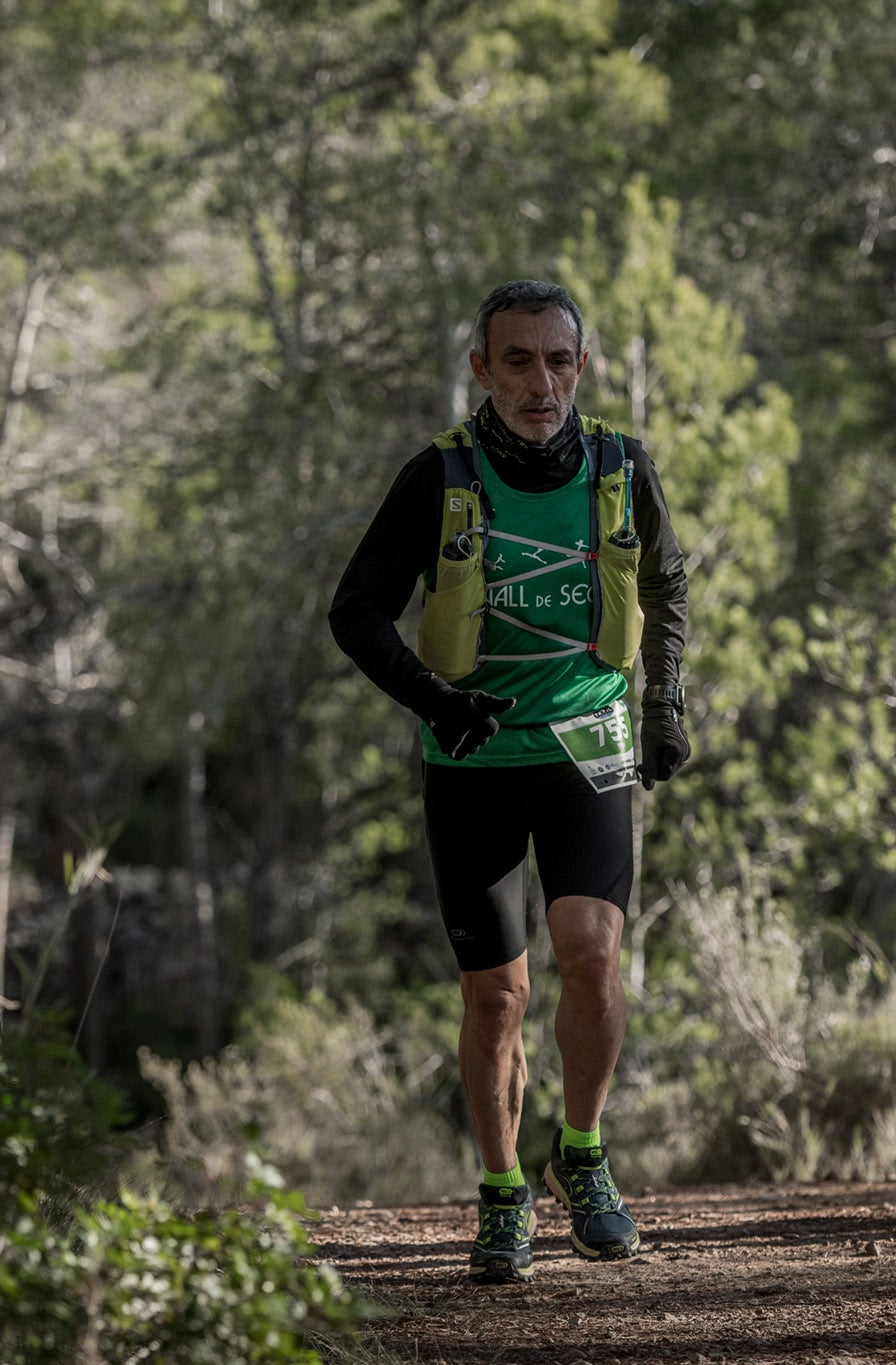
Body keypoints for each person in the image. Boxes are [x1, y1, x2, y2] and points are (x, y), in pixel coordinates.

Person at [329, 279, 691, 1283]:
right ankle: (500, 1193)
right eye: (518, 361)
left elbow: (663, 583)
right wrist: (433, 700)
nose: (541, 383)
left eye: (559, 361)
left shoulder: (619, 465)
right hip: (471, 756)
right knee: (494, 996)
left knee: (592, 949)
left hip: (588, 741)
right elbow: (355, 612)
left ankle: (581, 1156)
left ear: (582, 366)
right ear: (480, 370)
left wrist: (663, 706)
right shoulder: (436, 478)